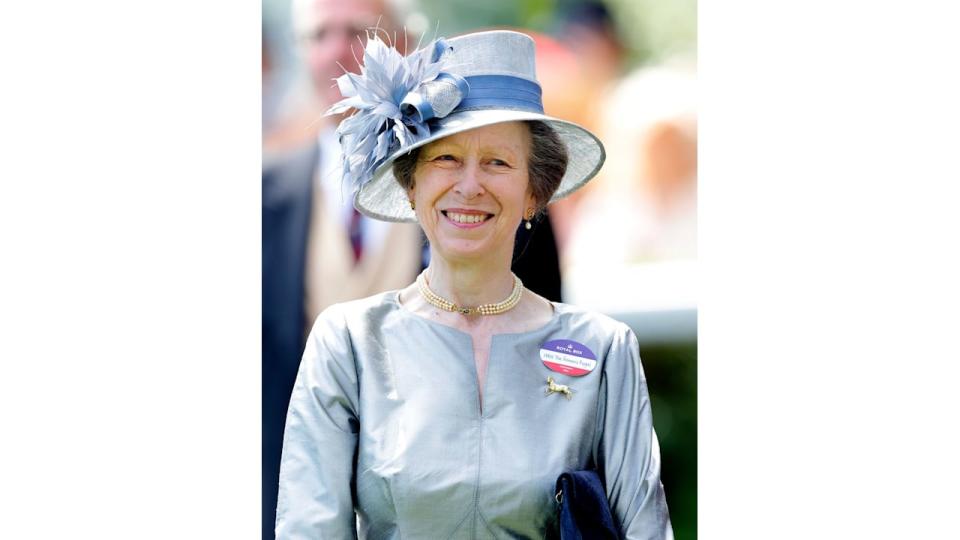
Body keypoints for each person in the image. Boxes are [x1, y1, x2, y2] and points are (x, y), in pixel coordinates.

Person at [276, 30, 672, 539]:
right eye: (445, 158)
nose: (469, 185)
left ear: (535, 192)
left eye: (498, 162)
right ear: (410, 184)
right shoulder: (349, 342)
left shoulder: (604, 351)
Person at [262, 3, 565, 538]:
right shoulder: (257, 198)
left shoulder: (495, 194)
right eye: (318, 35)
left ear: (407, 47)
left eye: (357, 32)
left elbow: (540, 348)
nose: (336, 51)